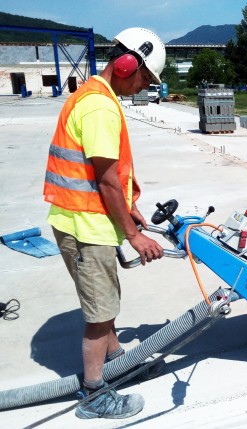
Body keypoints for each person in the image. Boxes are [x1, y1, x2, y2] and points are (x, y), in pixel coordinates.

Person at [43, 27, 166, 419]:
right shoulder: (99, 106)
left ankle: (118, 367)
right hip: (84, 227)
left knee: (106, 307)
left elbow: (102, 176)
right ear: (128, 63)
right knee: (99, 316)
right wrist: (134, 236)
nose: (144, 86)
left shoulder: (98, 97)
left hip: (88, 221)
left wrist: (128, 209)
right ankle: (95, 396)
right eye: (145, 78)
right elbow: (106, 178)